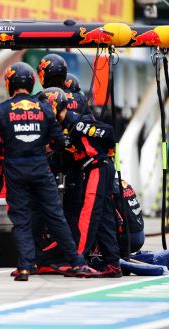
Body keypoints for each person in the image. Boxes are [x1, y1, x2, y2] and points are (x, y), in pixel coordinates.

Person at [0, 63, 97, 281]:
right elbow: (59, 141)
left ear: (10, 83)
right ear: (30, 83)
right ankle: (76, 263)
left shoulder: (1, 110)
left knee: (21, 219)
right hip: (40, 169)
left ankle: (26, 267)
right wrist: (42, 148)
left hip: (15, 171)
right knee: (55, 216)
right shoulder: (46, 108)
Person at [45, 87, 122, 277]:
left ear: (54, 105)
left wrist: (108, 151)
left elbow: (109, 132)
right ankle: (113, 265)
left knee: (88, 214)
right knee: (103, 218)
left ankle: (78, 261)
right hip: (92, 169)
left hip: (99, 167)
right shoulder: (61, 129)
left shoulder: (77, 124)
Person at [38, 54, 86, 240]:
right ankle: (76, 245)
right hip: (77, 160)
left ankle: (47, 242)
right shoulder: (81, 100)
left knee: (42, 206)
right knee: (75, 208)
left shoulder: (40, 98)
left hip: (50, 161)